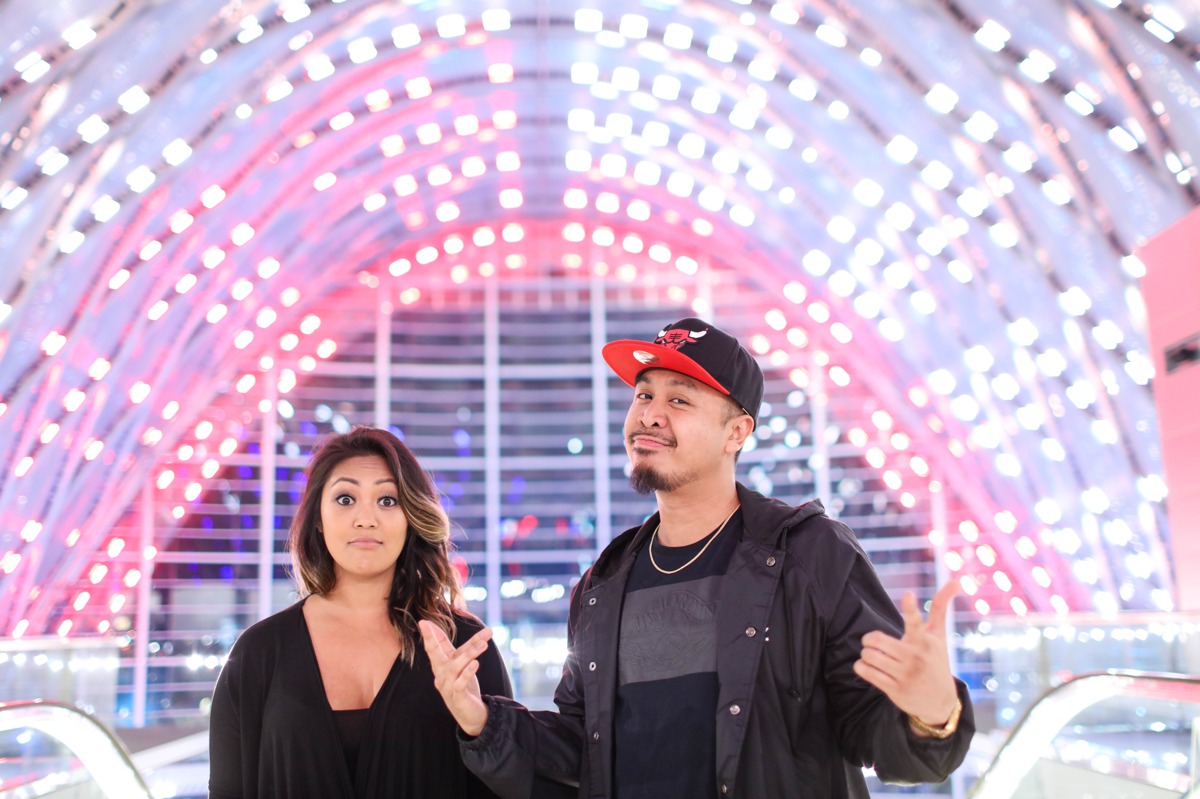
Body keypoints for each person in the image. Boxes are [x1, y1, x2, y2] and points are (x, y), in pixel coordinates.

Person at [421, 317, 975, 799]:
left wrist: (932, 715)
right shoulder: (604, 583)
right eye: (644, 395)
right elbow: (581, 748)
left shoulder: (809, 554)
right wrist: (482, 719)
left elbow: (874, 735)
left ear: (737, 432)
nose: (650, 415)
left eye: (679, 399)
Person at [208, 426, 510, 799]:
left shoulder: (463, 647)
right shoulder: (259, 652)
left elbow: (513, 784)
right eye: (346, 499)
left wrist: (480, 725)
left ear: (411, 518)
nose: (365, 519)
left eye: (387, 501)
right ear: (318, 518)